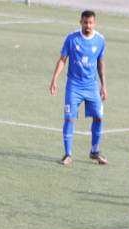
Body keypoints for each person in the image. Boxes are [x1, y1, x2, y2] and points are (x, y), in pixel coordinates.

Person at [51, 10, 108, 165]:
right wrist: (54, 79)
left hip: (92, 87)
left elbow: (100, 63)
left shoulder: (100, 40)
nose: (88, 25)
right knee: (69, 118)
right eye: (85, 22)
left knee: (99, 117)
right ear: (80, 22)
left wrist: (103, 85)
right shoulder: (72, 38)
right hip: (74, 86)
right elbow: (62, 60)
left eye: (90, 23)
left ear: (94, 23)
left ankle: (94, 151)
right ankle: (68, 154)